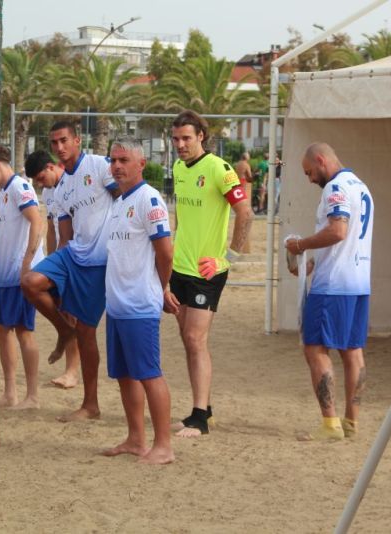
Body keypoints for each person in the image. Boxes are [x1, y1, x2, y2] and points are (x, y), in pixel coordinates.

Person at [21, 120, 119, 422]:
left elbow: (124, 199)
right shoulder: (60, 188)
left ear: (77, 140)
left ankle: (91, 405)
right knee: (30, 281)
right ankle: (65, 330)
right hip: (74, 255)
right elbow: (64, 236)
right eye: (54, 143)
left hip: (101, 262)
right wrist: (59, 275)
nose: (60, 147)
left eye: (64, 140)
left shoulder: (99, 165)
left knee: (88, 335)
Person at [165, 110, 253, 437]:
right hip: (180, 268)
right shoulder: (177, 167)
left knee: (194, 338)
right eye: (176, 139)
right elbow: (182, 219)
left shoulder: (219, 168)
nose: (180, 145)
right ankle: (203, 410)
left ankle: (200, 419)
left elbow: (245, 213)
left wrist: (226, 258)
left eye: (186, 138)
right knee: (188, 341)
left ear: (201, 136)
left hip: (207, 271)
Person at [284, 142, 373, 441]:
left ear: (321, 161)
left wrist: (301, 245)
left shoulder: (334, 188)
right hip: (359, 281)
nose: (310, 179)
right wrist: (313, 259)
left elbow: (338, 231)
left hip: (333, 284)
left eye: (309, 172)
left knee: (315, 348)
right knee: (352, 350)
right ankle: (351, 423)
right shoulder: (360, 185)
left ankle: (330, 424)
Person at [101, 137, 175, 465]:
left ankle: (164, 446)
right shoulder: (119, 202)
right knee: (125, 374)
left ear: (141, 164)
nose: (117, 166)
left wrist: (162, 287)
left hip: (139, 304)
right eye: (113, 160)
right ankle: (135, 439)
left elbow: (165, 251)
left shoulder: (149, 199)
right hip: (116, 305)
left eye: (124, 160)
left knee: (148, 373)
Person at [0, 144, 44, 409]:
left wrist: (27, 261)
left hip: (20, 272)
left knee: (23, 331)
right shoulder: (3, 192)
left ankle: (33, 396)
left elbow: (37, 221)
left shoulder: (20, 187)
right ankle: (10, 392)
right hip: (6, 273)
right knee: (2, 328)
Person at [23, 149, 81, 389]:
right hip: (59, 255)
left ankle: (72, 372)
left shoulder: (74, 185)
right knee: (58, 307)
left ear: (50, 166)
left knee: (72, 314)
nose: (39, 183)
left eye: (39, 177)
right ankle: (64, 335)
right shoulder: (48, 191)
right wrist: (51, 257)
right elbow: (50, 227)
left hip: (76, 255)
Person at [234, 152, 254, 253]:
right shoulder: (246, 165)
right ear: (247, 157)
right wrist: (255, 176)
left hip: (237, 183)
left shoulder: (238, 164)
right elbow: (249, 177)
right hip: (244, 183)